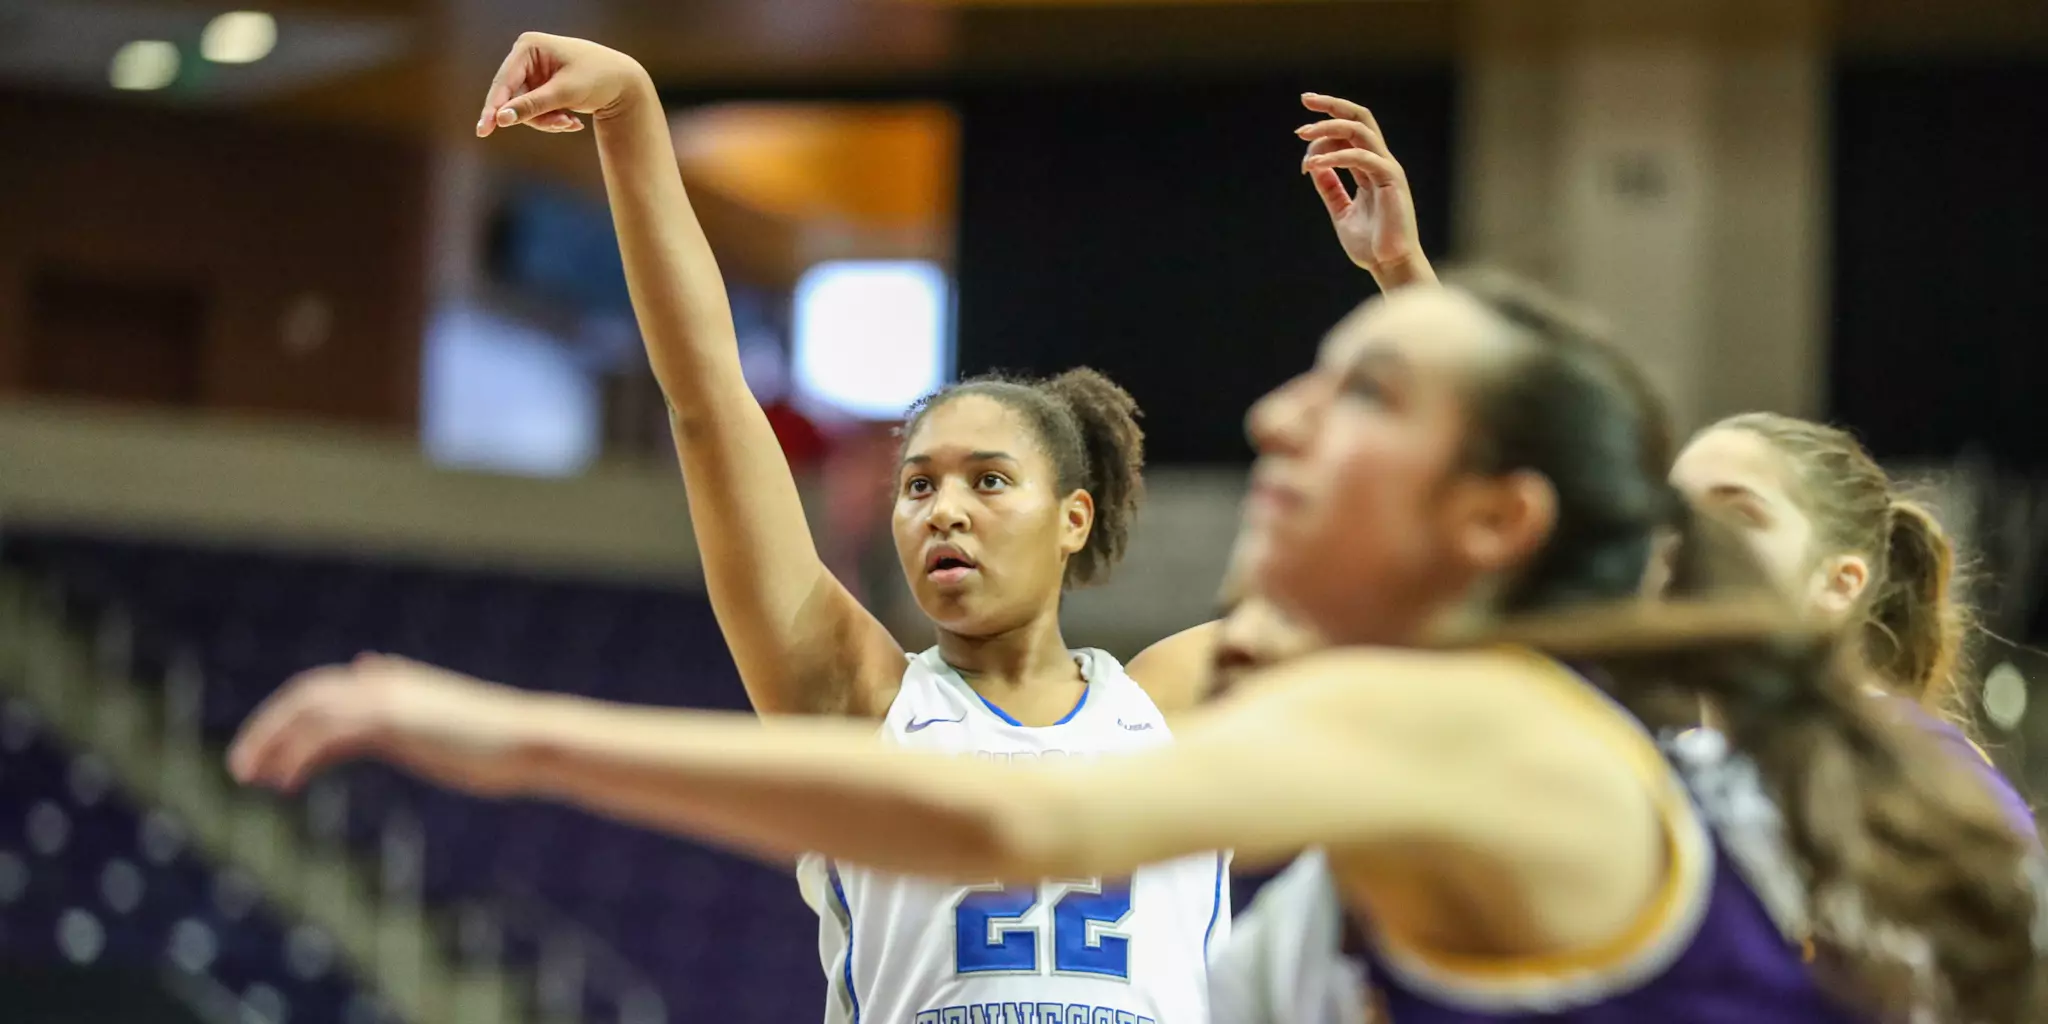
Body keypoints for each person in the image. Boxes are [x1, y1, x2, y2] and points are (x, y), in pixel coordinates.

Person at [229, 272, 2047, 1022]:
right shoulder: (1370, 779)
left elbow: (1028, 826)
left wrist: (508, 730)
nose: (1270, 413)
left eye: (1354, 395)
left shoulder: (1468, 738)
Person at [466, 32, 1231, 1024]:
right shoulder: (857, 695)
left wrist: (1406, 280)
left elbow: (1455, 603)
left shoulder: (1174, 707)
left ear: (1072, 517)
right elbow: (707, 402)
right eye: (917, 487)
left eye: (988, 480)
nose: (943, 508)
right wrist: (631, 118)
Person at [1669, 414, 2036, 836]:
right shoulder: (1653, 769)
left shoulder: (1933, 776)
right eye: (1671, 517)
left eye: (1736, 516)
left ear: (1840, 584)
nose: (1684, 543)